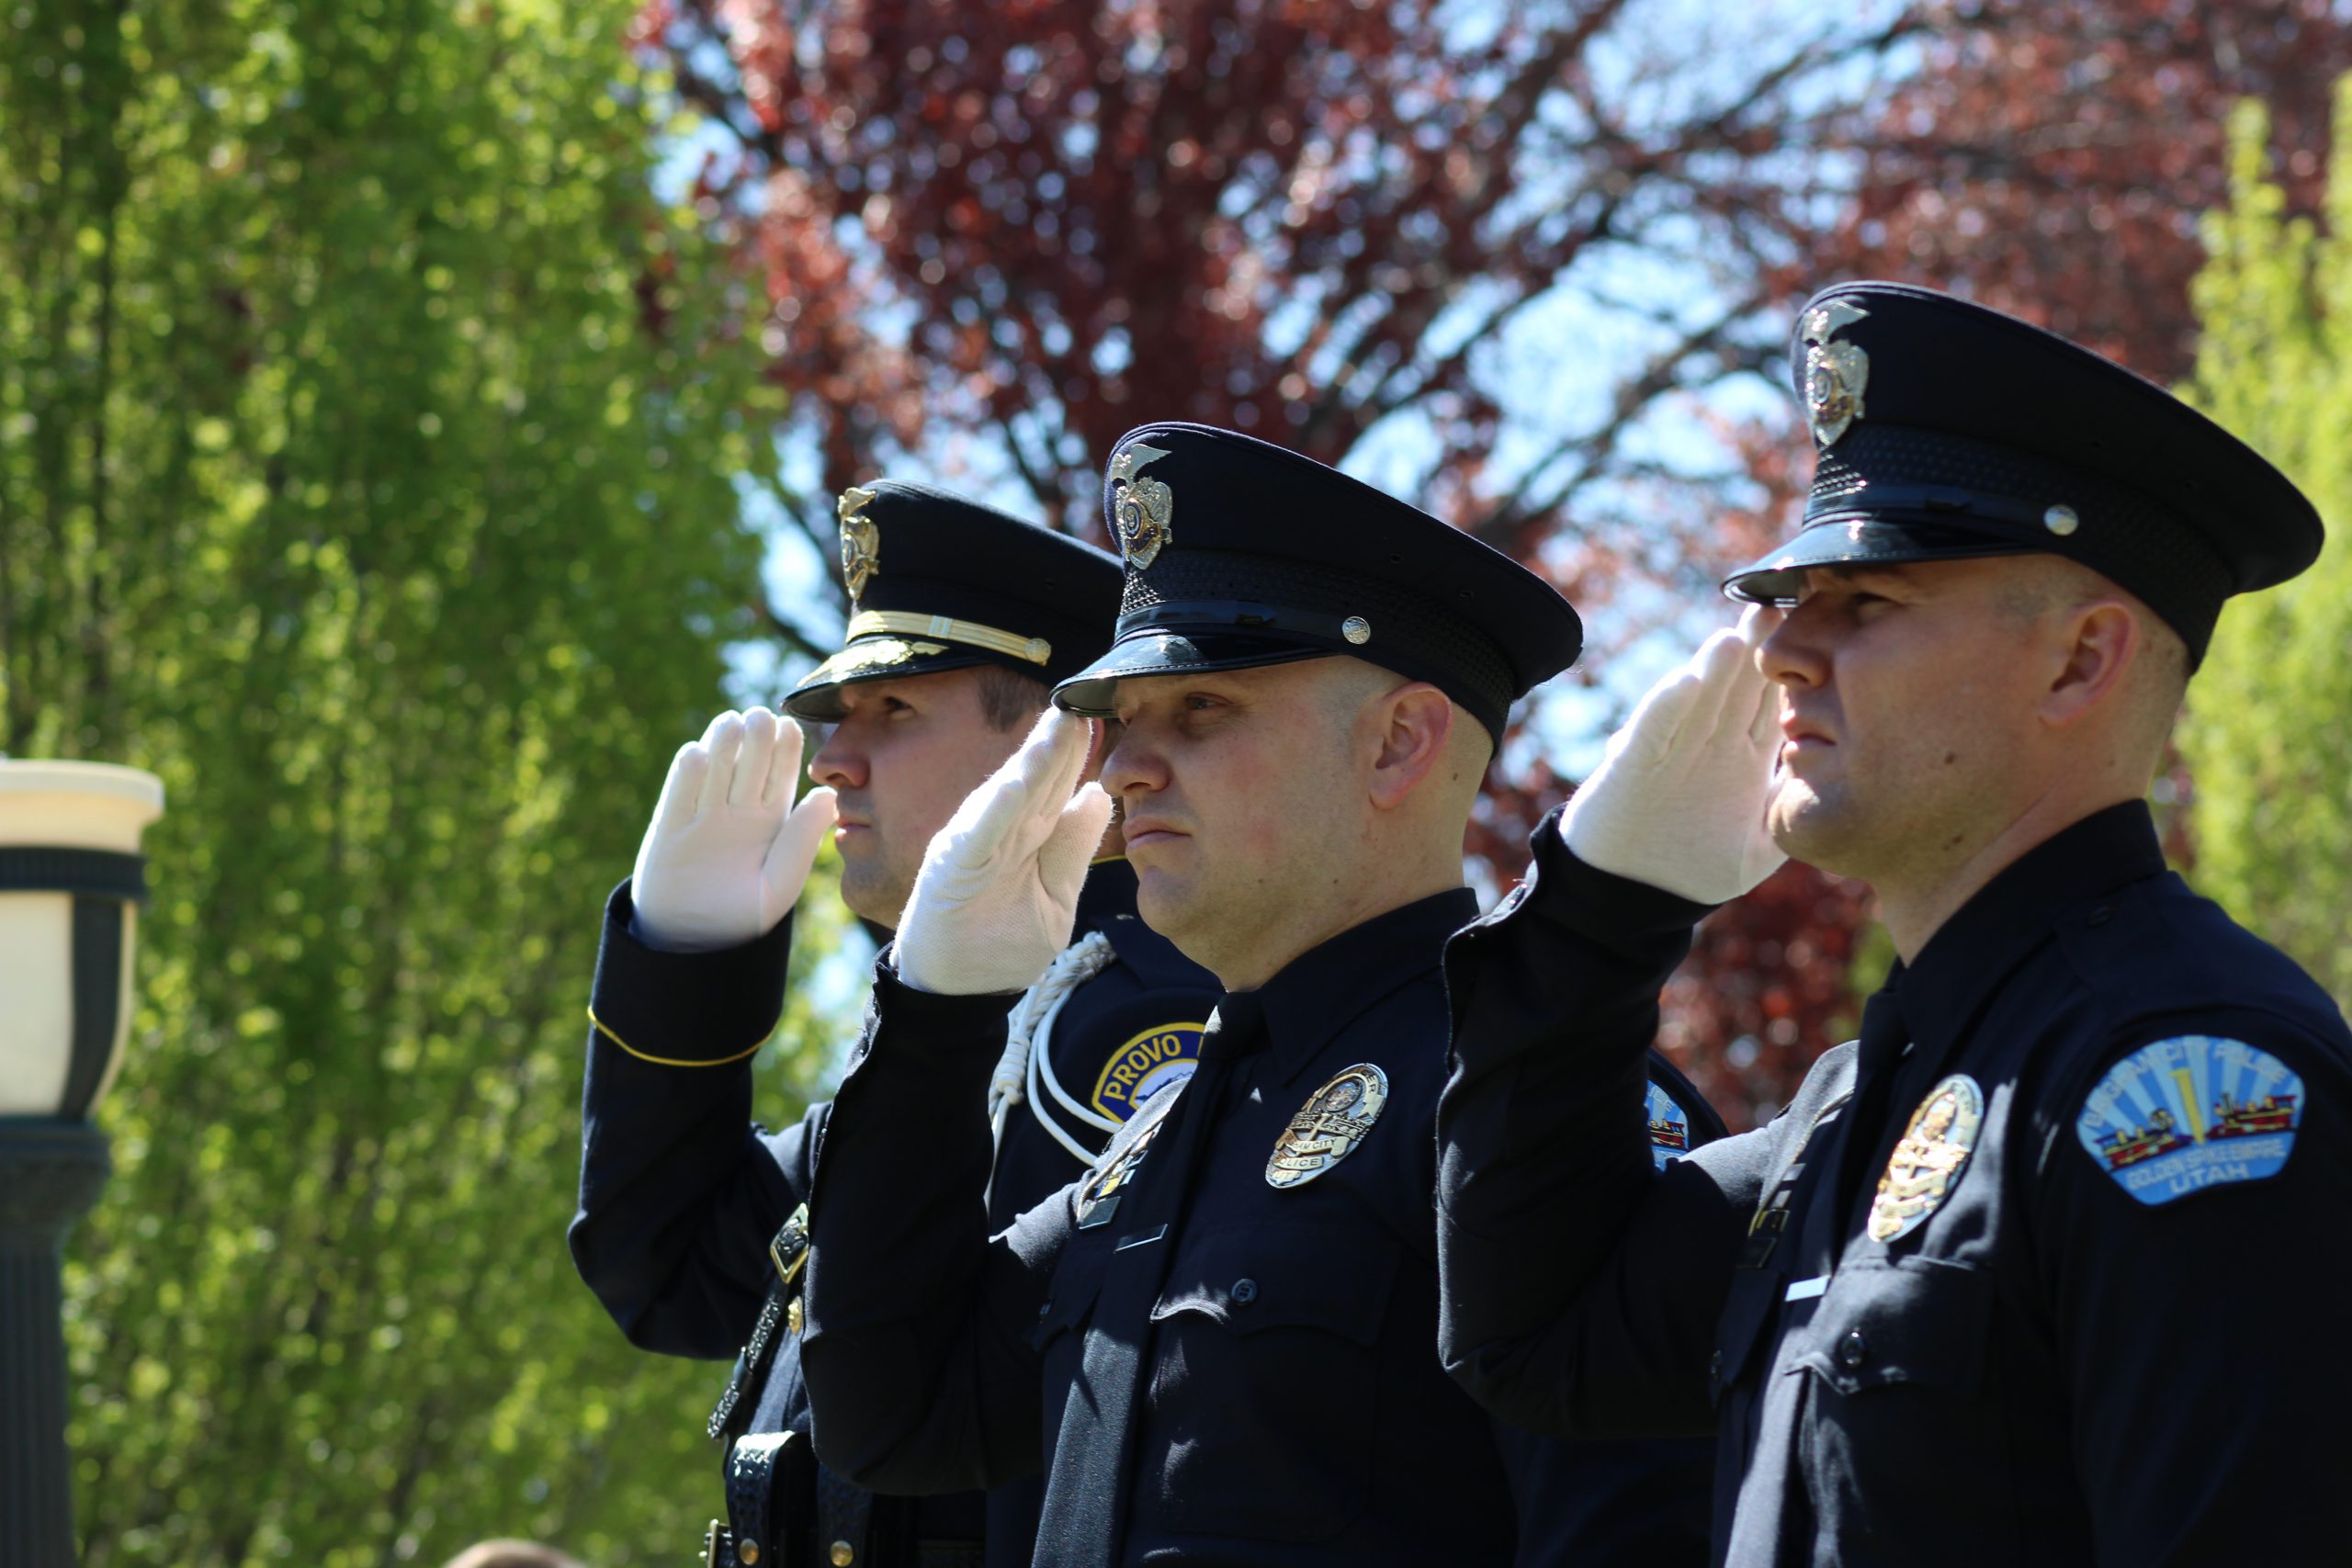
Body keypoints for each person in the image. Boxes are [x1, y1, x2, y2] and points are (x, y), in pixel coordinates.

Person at [1432, 282, 2352, 1565]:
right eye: (1789, 599)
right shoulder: (1851, 1108)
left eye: (1866, 601)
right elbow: (1533, 1336)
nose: (1782, 651)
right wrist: (1596, 910)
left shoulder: (2183, 1078)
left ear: (2082, 661)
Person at [797, 423, 1723, 1568]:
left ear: (1398, 743)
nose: (1127, 767)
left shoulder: (1536, 1100)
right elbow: (895, 1410)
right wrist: (933, 1012)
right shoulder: (1169, 1125)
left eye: (1200, 712)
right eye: (1123, 723)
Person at [568, 481, 1218, 1568]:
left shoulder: (1110, 1032)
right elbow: (665, 1271)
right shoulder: (976, 1037)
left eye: (893, 713)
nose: (831, 761)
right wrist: (687, 967)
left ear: (1061, 748)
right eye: (835, 718)